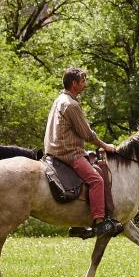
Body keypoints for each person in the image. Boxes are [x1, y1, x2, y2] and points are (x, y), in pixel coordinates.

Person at [44, 67, 121, 237]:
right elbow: (87, 134)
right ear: (74, 84)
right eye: (83, 81)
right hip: (68, 153)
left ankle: (79, 222)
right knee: (96, 180)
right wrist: (105, 146)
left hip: (55, 150)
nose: (85, 85)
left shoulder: (60, 99)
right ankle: (100, 222)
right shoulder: (71, 105)